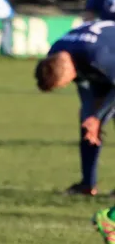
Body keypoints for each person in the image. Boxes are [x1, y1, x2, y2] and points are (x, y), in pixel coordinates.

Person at [34, 20, 115, 196]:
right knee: (87, 124)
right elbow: (83, 84)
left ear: (69, 72)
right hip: (102, 69)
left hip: (109, 61)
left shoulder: (98, 55)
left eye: (63, 84)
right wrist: (90, 116)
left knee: (95, 119)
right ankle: (87, 184)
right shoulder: (55, 54)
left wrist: (97, 116)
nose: (64, 86)